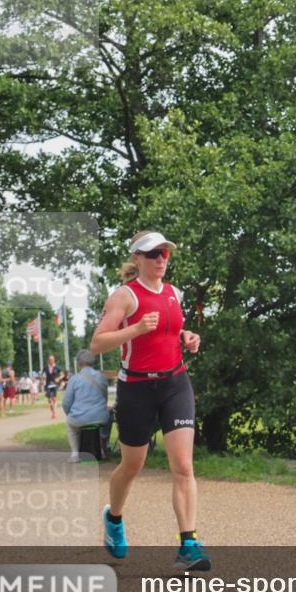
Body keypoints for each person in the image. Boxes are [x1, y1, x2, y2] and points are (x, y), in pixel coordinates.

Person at [90, 230, 208, 571]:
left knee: (183, 466)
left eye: (165, 254)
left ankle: (189, 545)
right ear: (137, 258)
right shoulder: (124, 297)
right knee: (132, 466)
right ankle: (113, 519)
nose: (160, 259)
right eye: (153, 253)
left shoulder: (175, 293)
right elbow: (98, 343)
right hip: (137, 389)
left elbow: (172, 332)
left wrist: (188, 337)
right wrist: (135, 330)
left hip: (175, 383)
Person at [62, 350, 110, 462]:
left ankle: (75, 454)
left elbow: (66, 403)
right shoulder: (102, 377)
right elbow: (105, 398)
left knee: (71, 426)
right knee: (105, 421)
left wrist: (69, 413)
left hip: (79, 418)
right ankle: (103, 447)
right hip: (100, 417)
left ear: (79, 363)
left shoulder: (74, 379)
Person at [42, 355, 61, 419]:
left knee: (54, 399)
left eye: (52, 359)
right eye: (50, 359)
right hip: (48, 385)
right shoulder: (45, 367)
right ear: (48, 360)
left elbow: (62, 374)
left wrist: (58, 378)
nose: (51, 361)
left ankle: (54, 412)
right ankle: (53, 413)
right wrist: (42, 380)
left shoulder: (57, 367)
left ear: (54, 360)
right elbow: (43, 375)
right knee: (50, 400)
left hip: (54, 384)